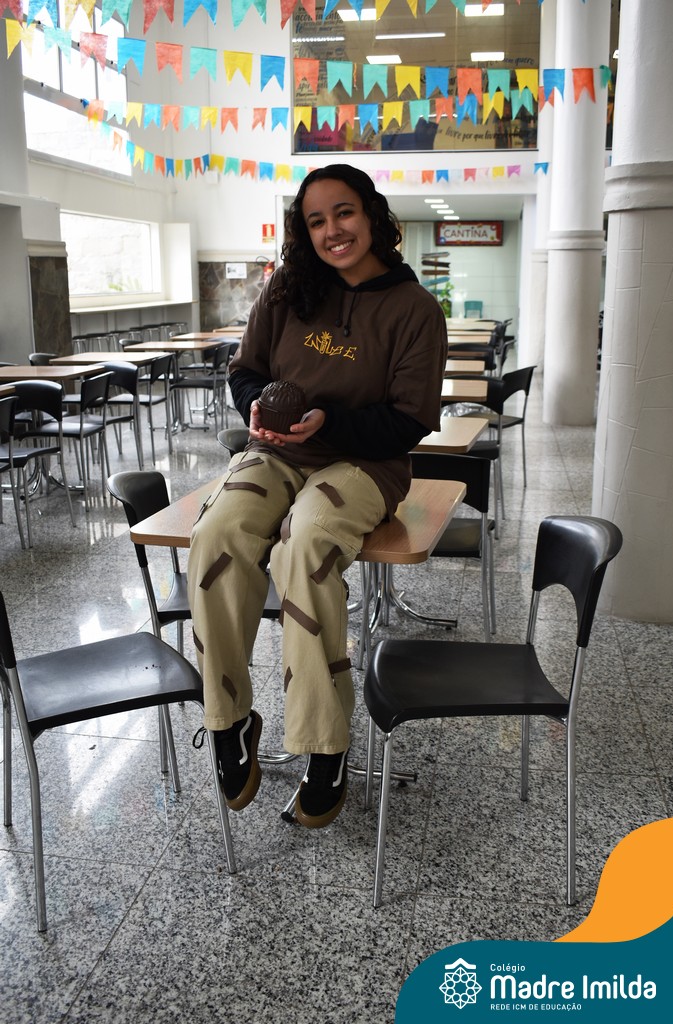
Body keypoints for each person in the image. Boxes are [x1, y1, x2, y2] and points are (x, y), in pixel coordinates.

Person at [187, 164, 447, 828]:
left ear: (372, 215)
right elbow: (246, 372)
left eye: (344, 212)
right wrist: (255, 408)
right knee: (215, 533)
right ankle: (228, 719)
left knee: (305, 543)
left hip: (365, 463)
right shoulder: (287, 290)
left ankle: (325, 742)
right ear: (304, 231)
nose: (333, 230)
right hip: (276, 452)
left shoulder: (414, 309)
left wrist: (328, 423)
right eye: (316, 220)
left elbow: (409, 420)